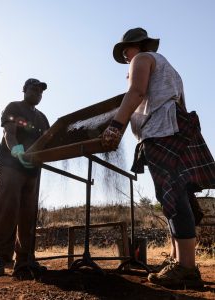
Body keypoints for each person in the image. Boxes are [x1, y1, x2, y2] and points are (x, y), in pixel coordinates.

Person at [102, 27, 215, 288]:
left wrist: (116, 125)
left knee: (172, 196)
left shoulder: (142, 59)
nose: (126, 58)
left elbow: (136, 92)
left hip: (162, 130)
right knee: (177, 195)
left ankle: (186, 268)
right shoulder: (169, 68)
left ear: (135, 46)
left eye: (125, 52)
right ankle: (178, 261)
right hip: (177, 127)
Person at [0, 78, 50, 279]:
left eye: (40, 91)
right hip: (11, 164)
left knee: (28, 214)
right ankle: (0, 258)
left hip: (32, 169)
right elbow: (9, 133)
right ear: (24, 90)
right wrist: (17, 151)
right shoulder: (14, 107)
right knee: (8, 208)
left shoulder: (42, 118)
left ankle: (25, 259)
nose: (37, 93)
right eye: (34, 89)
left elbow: (47, 141)